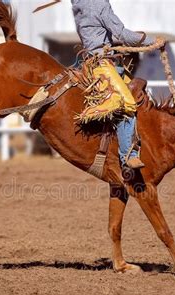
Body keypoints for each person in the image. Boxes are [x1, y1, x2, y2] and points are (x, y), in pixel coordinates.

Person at [70, 0, 159, 169]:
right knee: (127, 102)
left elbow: (99, 34)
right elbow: (123, 34)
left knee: (137, 94)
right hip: (102, 65)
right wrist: (152, 40)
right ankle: (128, 155)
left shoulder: (80, 4)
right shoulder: (97, 4)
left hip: (95, 62)